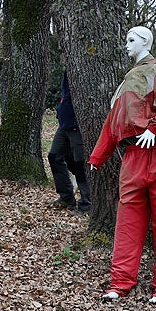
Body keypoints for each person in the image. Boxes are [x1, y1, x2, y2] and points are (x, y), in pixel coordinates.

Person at [88, 26, 156, 304]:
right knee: (128, 222)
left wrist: (154, 129)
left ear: (145, 41)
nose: (126, 45)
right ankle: (120, 282)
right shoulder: (128, 82)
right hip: (134, 155)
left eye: (132, 39)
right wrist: (99, 156)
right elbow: (112, 123)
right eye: (126, 39)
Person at [47, 71, 91, 212]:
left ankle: (87, 203)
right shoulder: (68, 70)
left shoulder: (83, 69)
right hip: (65, 124)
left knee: (80, 164)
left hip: (77, 125)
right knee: (54, 156)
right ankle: (66, 197)